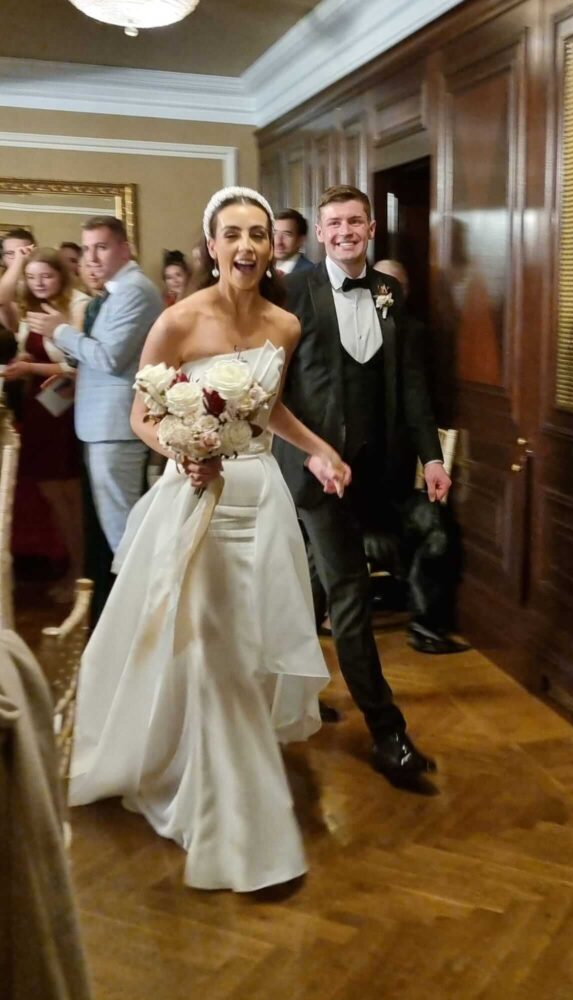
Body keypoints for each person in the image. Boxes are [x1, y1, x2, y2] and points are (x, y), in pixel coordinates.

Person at [68, 186, 351, 892]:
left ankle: (226, 776)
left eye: (258, 233)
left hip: (261, 497)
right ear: (212, 244)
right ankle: (240, 825)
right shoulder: (176, 322)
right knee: (210, 648)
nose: (247, 245)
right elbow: (141, 414)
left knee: (248, 647)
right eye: (233, 234)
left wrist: (319, 450)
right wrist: (179, 445)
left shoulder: (284, 325)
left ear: (271, 244)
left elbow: (270, 406)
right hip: (194, 498)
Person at [273, 185, 451, 786]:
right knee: (349, 590)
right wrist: (312, 453)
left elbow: (412, 383)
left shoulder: (389, 293)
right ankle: (387, 732)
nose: (345, 230)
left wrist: (431, 456)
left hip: (376, 474)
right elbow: (270, 390)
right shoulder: (291, 292)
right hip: (314, 475)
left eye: (355, 221)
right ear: (319, 234)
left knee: (317, 586)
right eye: (333, 223)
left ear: (371, 229)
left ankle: (289, 696)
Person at [26, 216, 163, 624]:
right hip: (101, 425)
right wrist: (62, 341)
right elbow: (94, 355)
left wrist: (62, 331)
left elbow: (110, 357)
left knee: (124, 533)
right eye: (87, 249)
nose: (92, 258)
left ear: (125, 248)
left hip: (117, 427)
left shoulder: (136, 290)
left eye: (101, 247)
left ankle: (141, 622)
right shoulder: (112, 292)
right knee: (114, 531)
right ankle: (130, 620)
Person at [373, 259, 468, 655]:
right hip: (348, 478)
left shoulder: (416, 335)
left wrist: (431, 461)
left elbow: (422, 404)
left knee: (438, 533)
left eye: (398, 284)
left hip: (403, 476)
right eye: (383, 283)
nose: (389, 291)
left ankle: (427, 629)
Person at [0, 248, 88, 599]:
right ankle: (72, 568)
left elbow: (79, 365)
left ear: (61, 276)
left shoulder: (76, 305)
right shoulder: (29, 309)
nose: (39, 284)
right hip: (38, 408)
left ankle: (80, 572)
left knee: (68, 494)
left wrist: (30, 367)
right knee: (53, 495)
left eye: (46, 276)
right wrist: (19, 263)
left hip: (63, 407)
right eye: (32, 278)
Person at [274, 209, 314, 275]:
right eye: (274, 233)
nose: (278, 242)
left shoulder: (312, 274)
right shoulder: (262, 269)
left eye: (287, 234)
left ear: (301, 240)